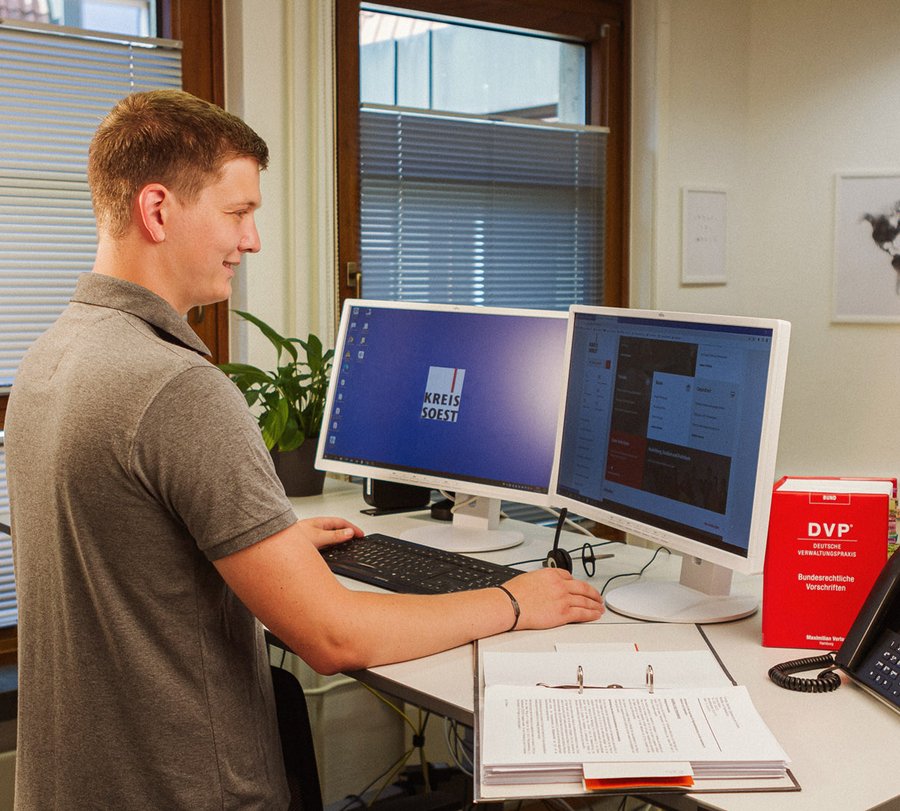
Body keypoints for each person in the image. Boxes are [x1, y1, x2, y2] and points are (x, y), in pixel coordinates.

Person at [5, 89, 604, 810]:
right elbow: (334, 636)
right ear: (158, 210)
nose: (251, 241)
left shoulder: (49, 358)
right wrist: (512, 599)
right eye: (238, 213)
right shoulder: (176, 387)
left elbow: (119, 551)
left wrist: (265, 541)